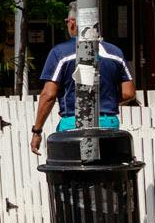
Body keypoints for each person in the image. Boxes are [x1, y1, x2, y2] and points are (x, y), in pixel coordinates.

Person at [30, 10, 137, 154]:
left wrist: (37, 131)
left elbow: (48, 95)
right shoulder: (115, 53)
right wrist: (104, 101)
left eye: (67, 21)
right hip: (108, 123)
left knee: (72, 170)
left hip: (73, 123)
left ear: (72, 23)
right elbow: (128, 93)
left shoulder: (60, 53)